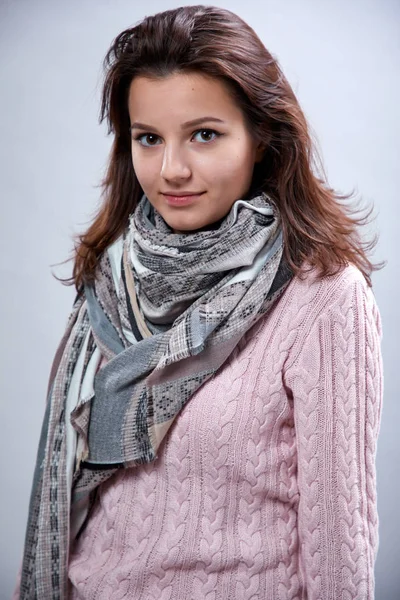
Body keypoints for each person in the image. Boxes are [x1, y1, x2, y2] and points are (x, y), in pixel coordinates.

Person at [14, 4, 384, 599]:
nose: (172, 169)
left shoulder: (325, 300)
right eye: (149, 138)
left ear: (262, 137)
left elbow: (340, 552)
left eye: (204, 135)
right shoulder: (113, 282)